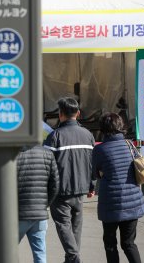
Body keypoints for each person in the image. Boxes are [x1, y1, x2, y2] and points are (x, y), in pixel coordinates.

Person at [44, 97, 96, 263]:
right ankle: (72, 258)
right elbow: (92, 163)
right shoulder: (88, 135)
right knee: (75, 226)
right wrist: (92, 185)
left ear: (60, 114)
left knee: (63, 224)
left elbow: (45, 164)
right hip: (81, 188)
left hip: (60, 190)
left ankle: (73, 257)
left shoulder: (55, 136)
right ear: (78, 113)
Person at [93, 113, 144, 263]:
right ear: (120, 126)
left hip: (111, 203)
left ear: (102, 128)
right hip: (133, 201)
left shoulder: (100, 150)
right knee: (129, 243)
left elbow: (96, 173)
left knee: (110, 244)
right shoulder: (129, 144)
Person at [17, 144, 60, 263]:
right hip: (40, 213)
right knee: (40, 253)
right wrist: (45, 204)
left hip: (17, 214)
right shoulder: (47, 153)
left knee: (7, 251)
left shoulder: (11, 155)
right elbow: (55, 185)